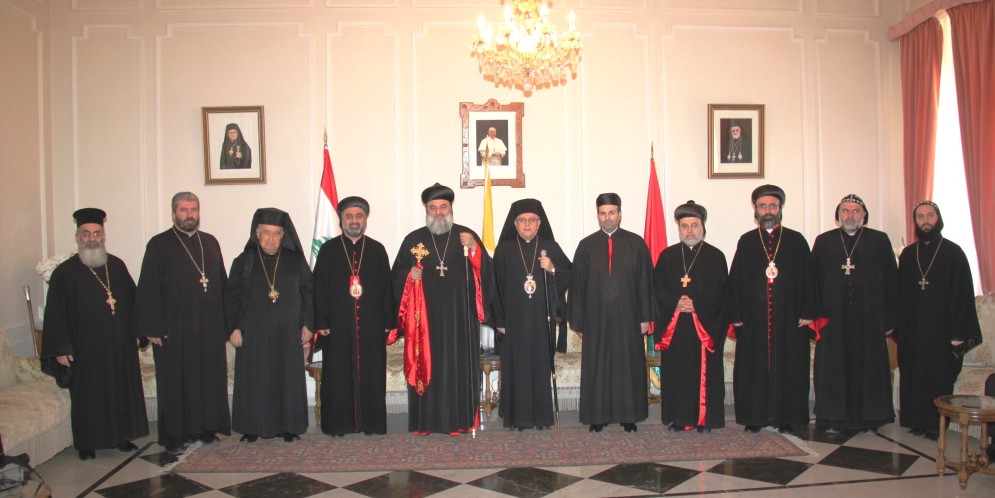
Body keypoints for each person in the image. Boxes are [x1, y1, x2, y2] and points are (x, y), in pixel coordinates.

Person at [40, 208, 148, 461]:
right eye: (86, 234)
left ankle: (121, 437)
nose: (92, 238)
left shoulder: (117, 266)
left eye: (97, 233)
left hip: (119, 346)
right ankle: (87, 443)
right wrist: (61, 348)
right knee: (88, 395)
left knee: (120, 391)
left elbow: (134, 302)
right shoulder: (64, 273)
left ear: (103, 236)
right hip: (84, 349)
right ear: (77, 237)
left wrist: (138, 331)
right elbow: (55, 313)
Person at [390, 183, 494, 436]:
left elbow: (488, 273)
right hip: (424, 321)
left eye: (443, 207)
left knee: (459, 370)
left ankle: (461, 421)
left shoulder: (466, 236)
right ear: (426, 209)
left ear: (450, 208)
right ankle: (425, 422)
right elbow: (394, 276)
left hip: (460, 320)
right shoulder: (414, 240)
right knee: (427, 366)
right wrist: (408, 275)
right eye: (433, 208)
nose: (438, 212)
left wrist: (475, 250)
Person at [135, 192, 231, 453]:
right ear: (173, 213)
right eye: (184, 210)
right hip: (173, 330)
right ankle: (175, 436)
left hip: (208, 328)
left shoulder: (210, 242)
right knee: (175, 383)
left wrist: (226, 323)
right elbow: (148, 287)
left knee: (207, 379)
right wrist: (152, 327)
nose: (190, 215)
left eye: (194, 209)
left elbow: (221, 284)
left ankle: (206, 429)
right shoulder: (159, 244)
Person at [728, 185, 820, 434]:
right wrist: (736, 315)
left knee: (792, 367)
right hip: (754, 320)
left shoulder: (796, 240)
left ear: (780, 208)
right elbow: (735, 280)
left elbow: (809, 278)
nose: (767, 210)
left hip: (790, 318)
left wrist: (808, 311)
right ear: (755, 209)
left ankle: (788, 418)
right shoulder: (747, 241)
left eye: (772, 205)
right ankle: (754, 417)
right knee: (753, 367)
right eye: (762, 206)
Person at [894, 200, 982, 440]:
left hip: (943, 330)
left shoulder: (954, 253)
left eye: (930, 216)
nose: (925, 221)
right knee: (914, 373)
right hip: (913, 329)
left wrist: (958, 333)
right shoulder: (909, 254)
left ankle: (936, 424)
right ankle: (916, 420)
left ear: (938, 219)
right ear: (915, 222)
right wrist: (897, 326)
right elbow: (899, 293)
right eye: (920, 217)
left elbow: (963, 295)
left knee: (937, 376)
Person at [810, 194, 898, 434]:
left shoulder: (879, 240)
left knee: (868, 368)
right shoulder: (824, 241)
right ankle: (832, 418)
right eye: (845, 211)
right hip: (832, 319)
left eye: (856, 211)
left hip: (870, 318)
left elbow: (892, 281)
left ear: (864, 215)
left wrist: (890, 319)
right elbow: (813, 281)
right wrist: (814, 315)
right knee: (833, 369)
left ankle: (869, 419)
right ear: (838, 215)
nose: (850, 215)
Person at [225, 208, 312, 443]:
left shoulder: (295, 261)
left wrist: (308, 324)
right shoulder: (244, 261)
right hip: (253, 333)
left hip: (288, 333)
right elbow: (232, 296)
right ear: (257, 233)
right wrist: (234, 328)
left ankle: (289, 427)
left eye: (276, 233)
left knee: (287, 379)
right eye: (266, 233)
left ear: (283, 235)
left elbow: (308, 293)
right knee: (255, 378)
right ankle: (251, 427)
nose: (271, 239)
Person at [569, 193, 654, 433]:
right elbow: (578, 285)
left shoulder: (636, 243)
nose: (607, 217)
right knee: (598, 365)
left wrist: (645, 317)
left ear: (620, 214)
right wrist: (580, 321)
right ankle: (597, 417)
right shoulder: (586, 246)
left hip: (628, 318)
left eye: (612, 212)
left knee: (627, 366)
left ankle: (629, 416)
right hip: (595, 319)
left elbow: (645, 282)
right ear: (597, 215)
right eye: (602, 213)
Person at [313, 196, 395, 436]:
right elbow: (319, 287)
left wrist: (387, 321)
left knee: (372, 372)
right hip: (338, 325)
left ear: (366, 218)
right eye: (349, 216)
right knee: (338, 374)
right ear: (341, 219)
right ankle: (339, 425)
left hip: (371, 324)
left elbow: (387, 287)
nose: (354, 220)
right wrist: (321, 321)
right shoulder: (329, 250)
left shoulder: (377, 249)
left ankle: (372, 424)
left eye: (359, 215)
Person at [493, 199, 572, 431]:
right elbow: (494, 287)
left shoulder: (550, 246)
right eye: (522, 220)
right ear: (515, 224)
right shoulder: (504, 249)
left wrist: (553, 268)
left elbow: (571, 273)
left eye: (532, 220)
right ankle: (516, 418)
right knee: (516, 369)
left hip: (541, 320)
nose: (527, 224)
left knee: (540, 368)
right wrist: (500, 320)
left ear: (539, 223)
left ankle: (541, 418)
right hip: (513, 322)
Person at [652, 200, 728, 433]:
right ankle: (679, 418)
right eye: (684, 226)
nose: (690, 230)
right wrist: (676, 301)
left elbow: (721, 291)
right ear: (679, 228)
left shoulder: (716, 256)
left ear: (703, 227)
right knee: (678, 374)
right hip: (676, 327)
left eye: (694, 225)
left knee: (704, 373)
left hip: (703, 326)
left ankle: (705, 419)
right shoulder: (667, 256)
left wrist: (696, 304)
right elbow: (657, 288)